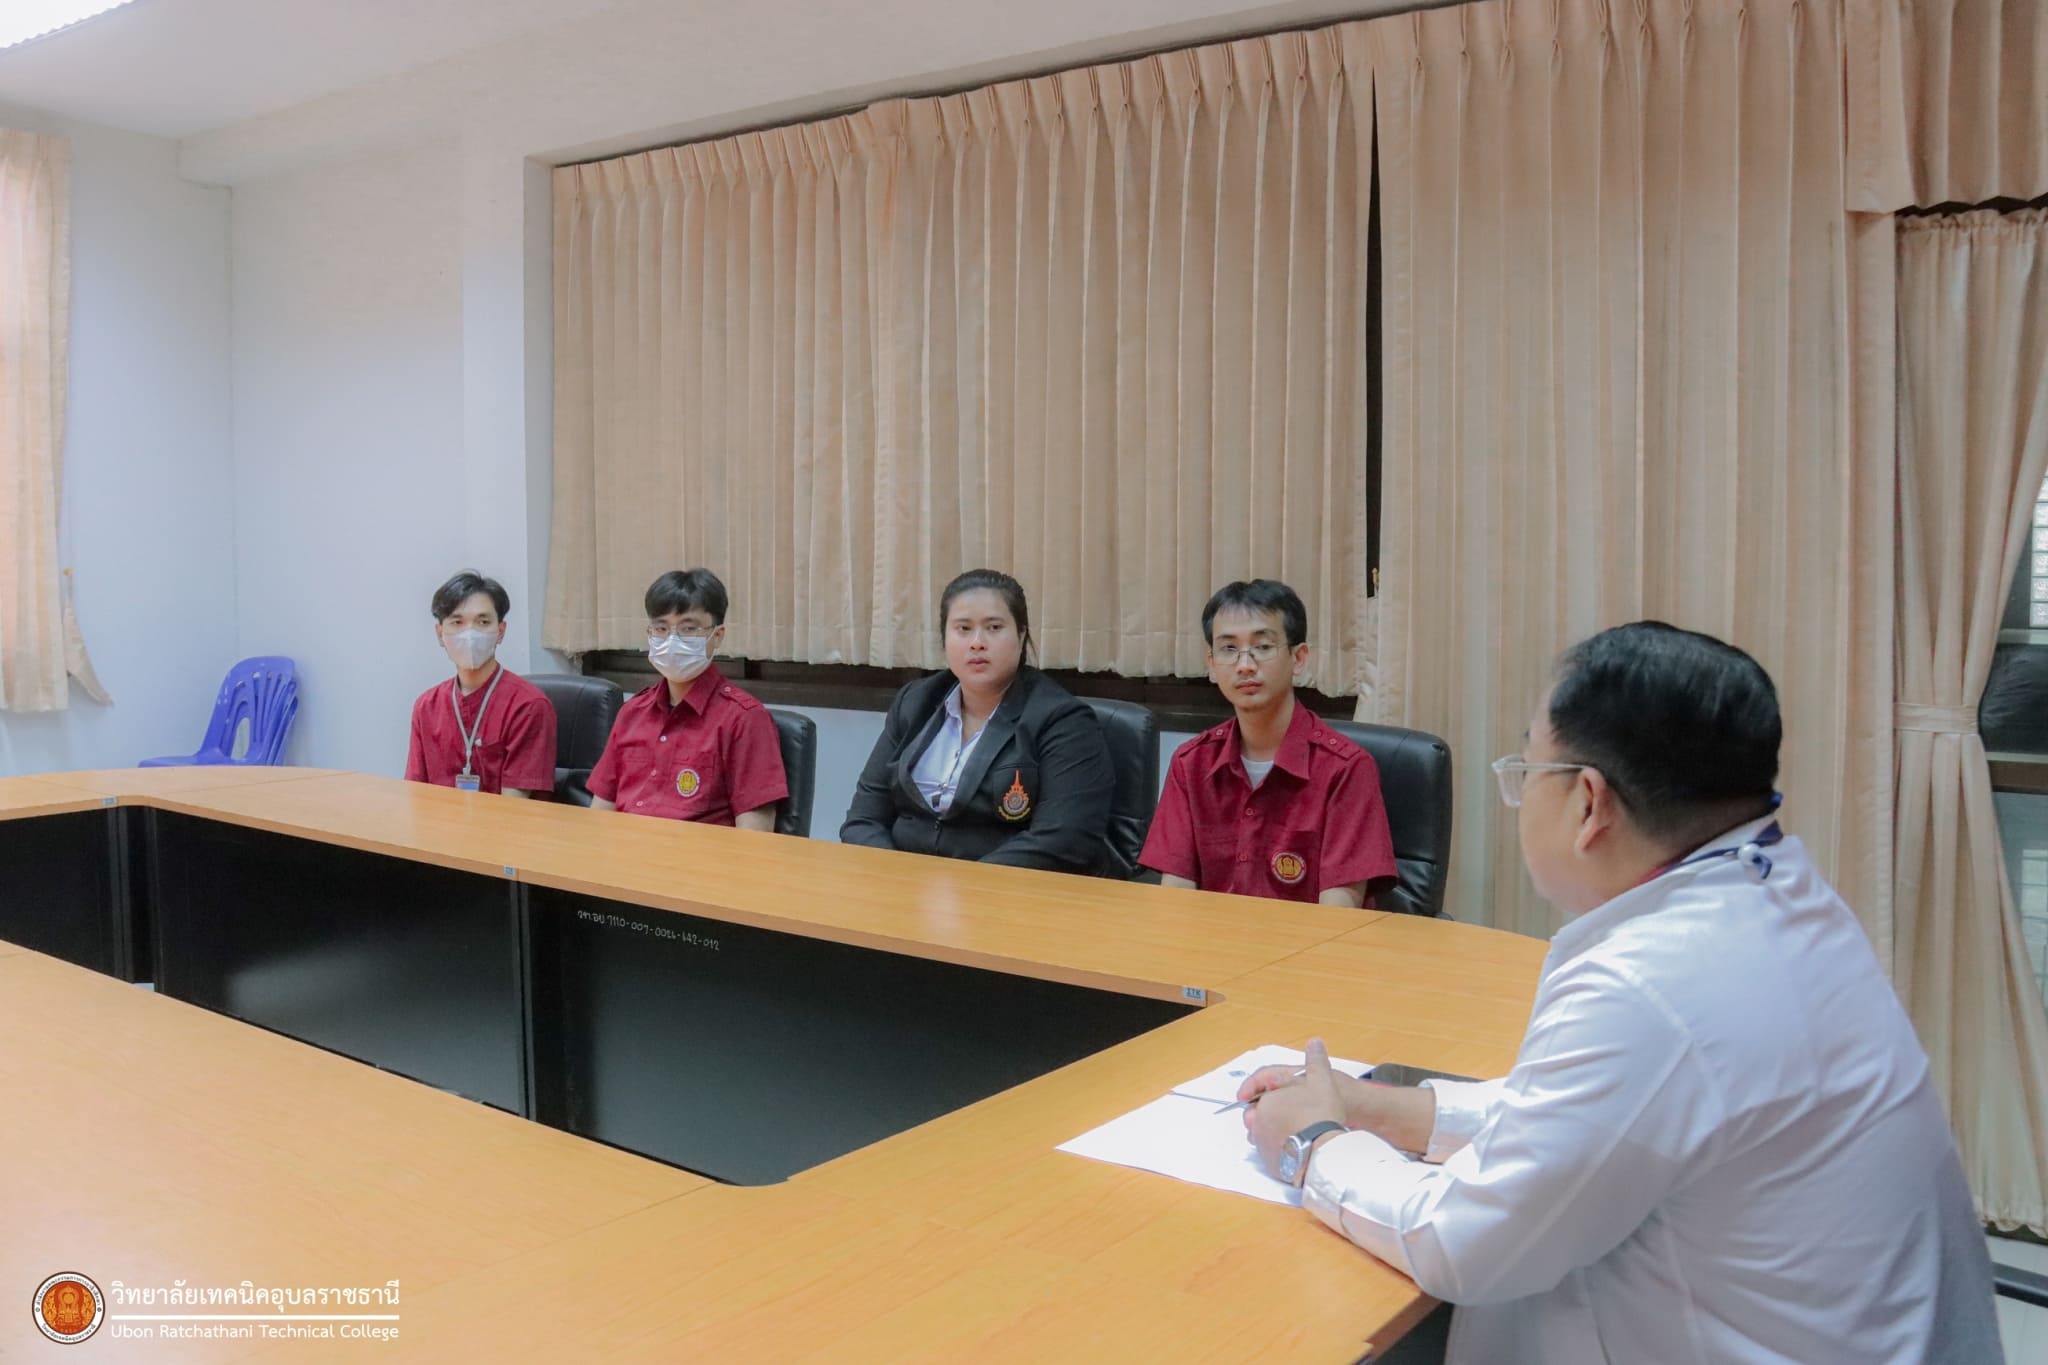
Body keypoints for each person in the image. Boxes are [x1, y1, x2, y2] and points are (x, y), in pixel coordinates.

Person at [1239, 622, 1998, 1364]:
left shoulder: (1647, 981)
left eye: (1528, 768)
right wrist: (1377, 1107)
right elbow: (1601, 1116)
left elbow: (1463, 1245)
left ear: (1589, 802)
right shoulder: (1778, 892)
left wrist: (1313, 1145)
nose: (1519, 793)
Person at [840, 568, 1116, 874]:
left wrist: (961, 887)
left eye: (994, 627)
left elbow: (1063, 839)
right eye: (963, 629)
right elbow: (863, 819)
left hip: (1004, 889)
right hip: (905, 884)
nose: (977, 643)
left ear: (1021, 635)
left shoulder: (1062, 720)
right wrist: (891, 877)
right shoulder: (915, 703)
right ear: (944, 639)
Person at [1139, 579, 1396, 906]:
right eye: (1229, 649)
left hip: (1308, 938)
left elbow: (1339, 915)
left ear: (1298, 658)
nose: (1245, 665)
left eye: (1262, 647)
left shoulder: (1345, 769)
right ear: (1212, 665)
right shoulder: (1191, 764)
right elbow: (1174, 900)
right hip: (1209, 938)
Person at [587, 568, 787, 830]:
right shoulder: (632, 712)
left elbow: (755, 838)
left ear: (717, 636)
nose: (672, 640)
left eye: (688, 629)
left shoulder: (744, 720)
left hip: (695, 855)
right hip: (624, 850)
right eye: (661, 628)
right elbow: (599, 816)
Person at [404, 571, 557, 797]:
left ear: (500, 632)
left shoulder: (528, 706)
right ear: (440, 634)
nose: (470, 634)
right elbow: (415, 794)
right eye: (457, 622)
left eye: (483, 622)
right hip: (436, 819)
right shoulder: (427, 706)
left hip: (501, 819)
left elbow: (514, 807)